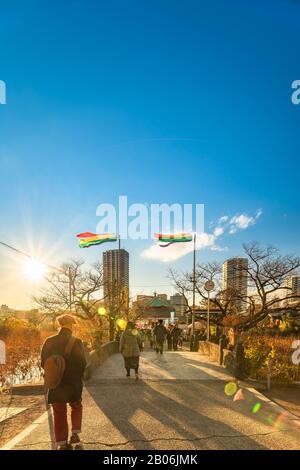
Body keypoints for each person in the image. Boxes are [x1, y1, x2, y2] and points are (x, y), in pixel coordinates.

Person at [41, 314, 87, 450]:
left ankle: (62, 443)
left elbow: (44, 363)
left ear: (60, 325)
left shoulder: (49, 341)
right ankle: (75, 435)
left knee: (59, 411)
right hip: (73, 383)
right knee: (76, 406)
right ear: (71, 325)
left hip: (56, 383)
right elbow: (83, 363)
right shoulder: (77, 341)